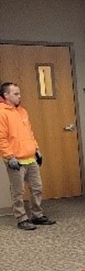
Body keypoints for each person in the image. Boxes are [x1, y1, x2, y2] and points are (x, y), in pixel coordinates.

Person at [0, 82, 56, 230]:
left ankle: (37, 215)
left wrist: (37, 149)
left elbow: (29, 133)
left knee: (37, 188)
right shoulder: (2, 113)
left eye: (19, 93)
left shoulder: (23, 112)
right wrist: (9, 156)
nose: (20, 96)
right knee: (18, 191)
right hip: (15, 159)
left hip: (30, 157)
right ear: (6, 95)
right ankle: (21, 218)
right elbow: (2, 138)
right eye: (16, 94)